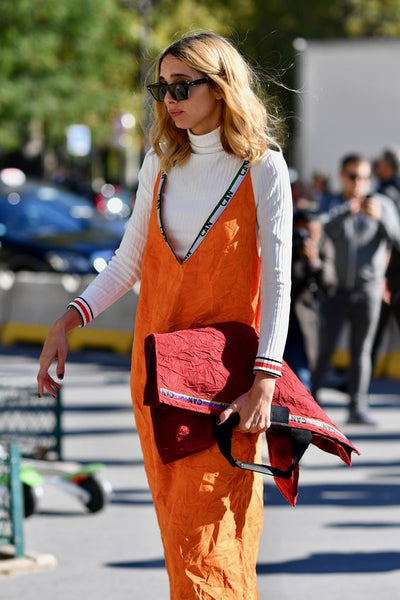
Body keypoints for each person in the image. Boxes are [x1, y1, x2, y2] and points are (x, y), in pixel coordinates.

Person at [37, 33, 293, 599]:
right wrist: (69, 319)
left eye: (182, 86)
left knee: (208, 544)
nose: (169, 99)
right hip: (155, 382)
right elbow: (130, 259)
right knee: (181, 542)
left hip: (224, 389)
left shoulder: (263, 168)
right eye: (161, 87)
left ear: (221, 86)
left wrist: (265, 383)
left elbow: (279, 282)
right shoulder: (161, 159)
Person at [312, 154, 400, 425]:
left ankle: (358, 406)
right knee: (325, 347)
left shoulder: (382, 204)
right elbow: (319, 228)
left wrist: (381, 220)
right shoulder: (332, 203)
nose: (359, 182)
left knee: (361, 349)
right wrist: (344, 213)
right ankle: (312, 402)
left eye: (364, 177)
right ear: (342, 176)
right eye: (353, 176)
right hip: (336, 287)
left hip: (369, 289)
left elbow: (397, 238)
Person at [284, 209, 336, 390]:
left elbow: (330, 284)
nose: (307, 238)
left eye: (314, 234)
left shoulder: (322, 245)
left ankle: (301, 414)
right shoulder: (281, 240)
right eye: (303, 232)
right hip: (278, 314)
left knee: (300, 376)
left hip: (304, 320)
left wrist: (314, 261)